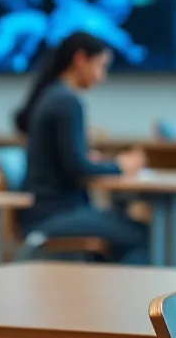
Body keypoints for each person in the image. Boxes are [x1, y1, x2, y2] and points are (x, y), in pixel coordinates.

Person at [12, 32, 149, 263]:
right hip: (53, 214)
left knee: (122, 228)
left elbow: (70, 161)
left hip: (43, 211)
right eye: (100, 66)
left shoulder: (52, 95)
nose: (102, 77)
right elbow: (78, 169)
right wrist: (120, 165)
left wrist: (94, 161)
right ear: (80, 60)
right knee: (141, 235)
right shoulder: (67, 101)